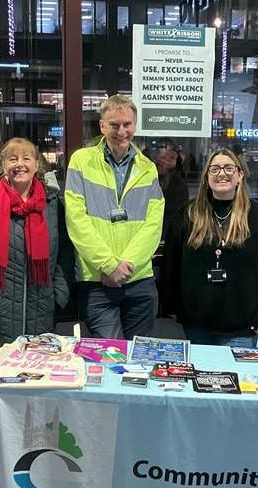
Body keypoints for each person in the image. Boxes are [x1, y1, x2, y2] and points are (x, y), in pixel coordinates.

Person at [0, 138, 74, 343]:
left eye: (26, 158)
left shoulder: (52, 205)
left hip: (42, 317)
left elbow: (66, 253)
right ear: (3, 166)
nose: (20, 164)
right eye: (13, 159)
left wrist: (57, 296)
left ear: (36, 165)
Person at [65, 95, 164, 339]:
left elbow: (153, 225)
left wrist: (125, 266)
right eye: (114, 125)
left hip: (139, 279)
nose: (122, 131)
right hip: (97, 280)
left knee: (137, 358)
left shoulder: (147, 168)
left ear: (135, 125)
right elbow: (76, 221)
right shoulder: (81, 162)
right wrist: (109, 265)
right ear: (102, 126)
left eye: (127, 124)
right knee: (111, 357)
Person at [162, 148, 258, 347]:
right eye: (215, 169)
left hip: (242, 330)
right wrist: (173, 307)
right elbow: (171, 265)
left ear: (240, 175)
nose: (222, 173)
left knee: (235, 378)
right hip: (196, 326)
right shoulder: (188, 215)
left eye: (229, 168)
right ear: (206, 176)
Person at [155, 146, 189, 239]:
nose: (164, 161)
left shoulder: (178, 184)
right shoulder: (151, 178)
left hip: (167, 231)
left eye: (170, 158)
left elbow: (178, 212)